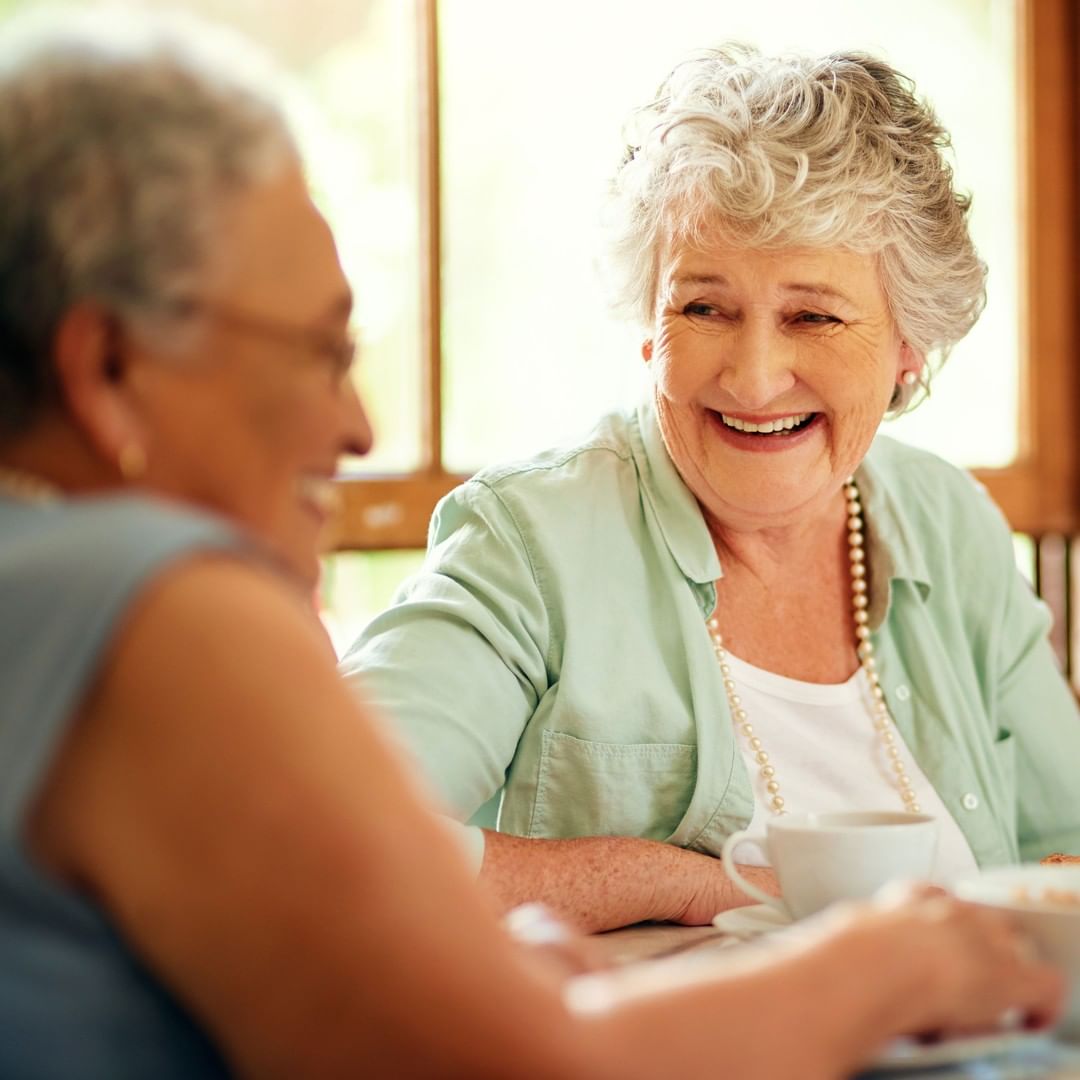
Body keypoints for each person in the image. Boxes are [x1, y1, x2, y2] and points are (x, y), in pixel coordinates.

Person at [0, 12, 1065, 1077]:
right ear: (107, 371)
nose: (359, 428)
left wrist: (499, 979)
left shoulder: (46, 585)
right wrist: (890, 963)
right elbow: (529, 1064)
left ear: (908, 354)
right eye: (318, 350)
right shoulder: (159, 609)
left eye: (814, 319)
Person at [343, 44, 1080, 933]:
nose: (756, 378)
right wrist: (678, 883)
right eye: (703, 307)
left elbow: (1064, 848)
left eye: (813, 315)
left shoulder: (947, 523)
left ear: (906, 348)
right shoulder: (532, 541)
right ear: (648, 329)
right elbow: (336, 838)